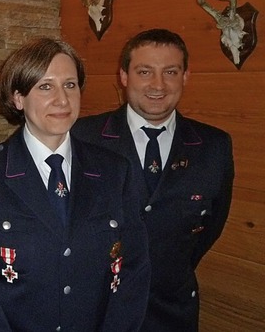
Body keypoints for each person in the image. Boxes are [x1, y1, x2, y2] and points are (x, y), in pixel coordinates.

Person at [0, 38, 151, 331]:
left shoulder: (114, 171)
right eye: (45, 86)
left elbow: (133, 270)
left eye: (70, 85)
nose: (62, 100)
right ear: (18, 97)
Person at [71, 28, 234, 331]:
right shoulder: (82, 138)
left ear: (185, 76)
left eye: (170, 72)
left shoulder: (215, 146)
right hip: (97, 311)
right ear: (124, 76)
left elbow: (210, 226)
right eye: (144, 71)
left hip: (173, 312)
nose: (158, 85)